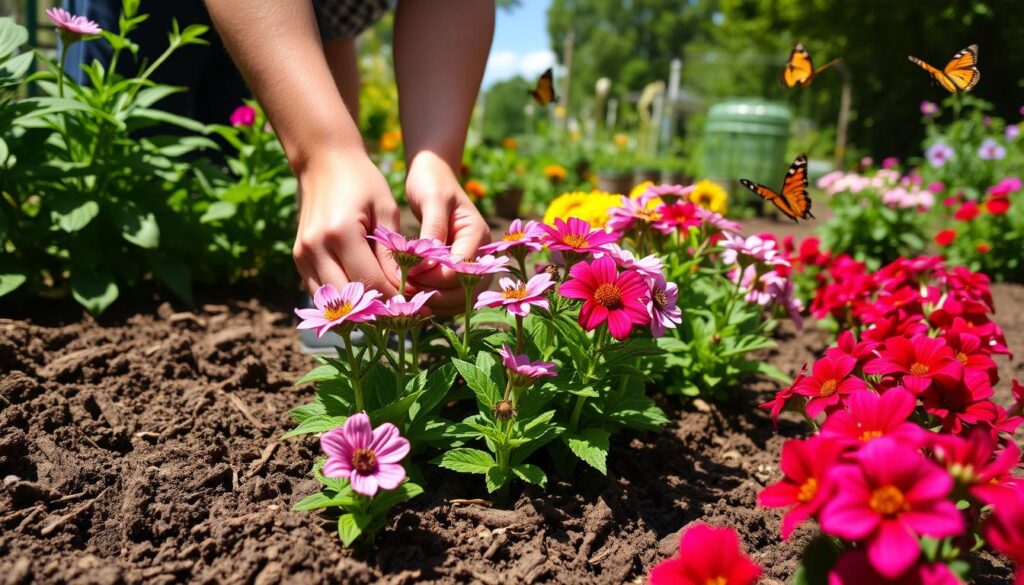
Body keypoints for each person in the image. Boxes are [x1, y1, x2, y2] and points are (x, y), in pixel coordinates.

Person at [204, 0, 495, 315]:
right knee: (206, 152)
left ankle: (342, 279)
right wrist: (323, 154)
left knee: (340, 176)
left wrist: (437, 159)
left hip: (335, 22)